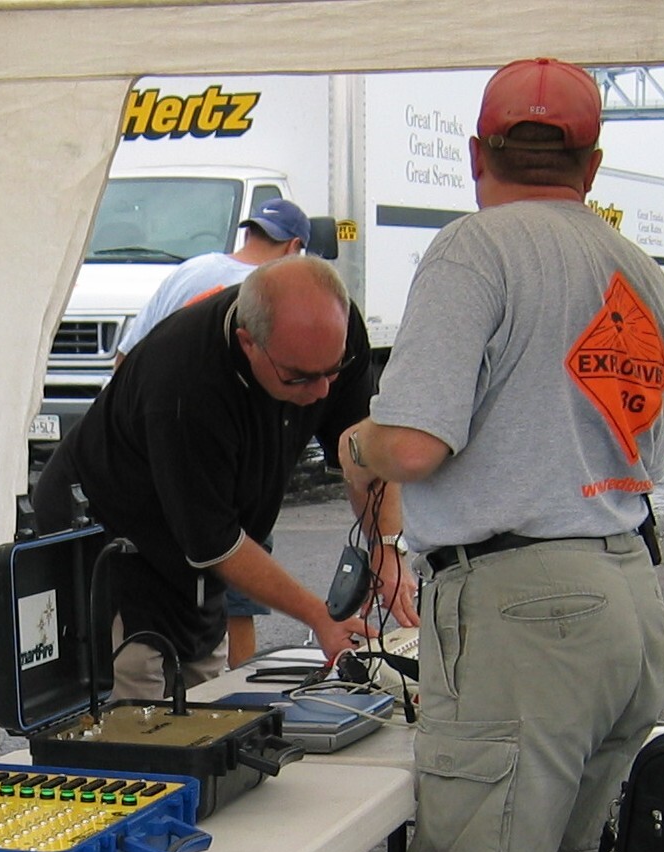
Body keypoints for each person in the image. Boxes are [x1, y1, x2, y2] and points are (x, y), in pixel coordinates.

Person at [338, 58, 664, 852]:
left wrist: (355, 436)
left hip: (523, 603)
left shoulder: (475, 251)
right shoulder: (636, 270)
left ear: (480, 154)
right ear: (589, 166)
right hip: (625, 589)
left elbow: (421, 442)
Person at [33, 253, 418, 704]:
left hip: (199, 545)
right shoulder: (184, 383)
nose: (321, 393)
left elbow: (364, 452)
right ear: (248, 342)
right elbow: (214, 543)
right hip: (111, 539)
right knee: (138, 712)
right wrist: (319, 615)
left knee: (206, 702)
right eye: (299, 378)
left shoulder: (336, 332)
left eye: (332, 371)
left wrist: (387, 547)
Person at [113, 197, 316, 668]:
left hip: (145, 459)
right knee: (236, 584)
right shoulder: (270, 296)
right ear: (295, 247)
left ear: (251, 234)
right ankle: (237, 692)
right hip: (220, 465)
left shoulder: (192, 270)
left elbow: (125, 360)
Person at [114, 196, 312, 363]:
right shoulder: (274, 292)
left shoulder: (189, 269)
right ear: (293, 247)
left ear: (247, 234)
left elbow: (127, 352)